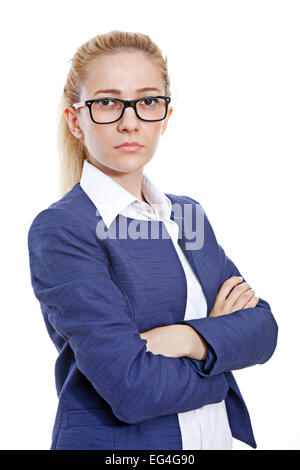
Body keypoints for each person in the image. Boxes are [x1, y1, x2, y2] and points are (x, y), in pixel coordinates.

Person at [27, 30, 278, 450]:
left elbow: (263, 329)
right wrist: (219, 349)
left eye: (147, 101)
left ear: (165, 115)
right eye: (107, 102)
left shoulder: (187, 215)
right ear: (76, 119)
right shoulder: (63, 228)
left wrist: (183, 337)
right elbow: (132, 388)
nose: (130, 121)